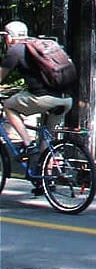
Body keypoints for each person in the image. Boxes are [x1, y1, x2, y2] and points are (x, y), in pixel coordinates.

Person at [0, 20, 73, 193]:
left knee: (10, 106)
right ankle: (46, 181)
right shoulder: (43, 45)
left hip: (44, 98)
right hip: (66, 99)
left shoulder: (15, 50)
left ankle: (27, 142)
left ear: (10, 37)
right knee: (47, 141)